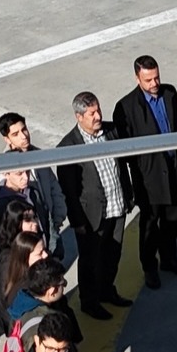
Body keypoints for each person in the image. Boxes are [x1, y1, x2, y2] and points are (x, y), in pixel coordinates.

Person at [113, 55, 177, 290]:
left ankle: (170, 259)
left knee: (172, 221)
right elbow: (125, 149)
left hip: (174, 171)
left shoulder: (170, 93)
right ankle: (149, 267)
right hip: (149, 179)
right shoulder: (126, 107)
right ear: (137, 78)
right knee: (149, 224)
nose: (154, 83)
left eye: (156, 77)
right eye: (148, 80)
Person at [57, 92, 133, 321]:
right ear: (79, 116)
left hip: (116, 207)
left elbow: (122, 166)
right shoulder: (68, 147)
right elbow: (69, 192)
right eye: (92, 113)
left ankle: (107, 291)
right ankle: (89, 302)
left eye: (98, 110)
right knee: (90, 260)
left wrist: (128, 196)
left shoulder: (111, 131)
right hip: (91, 216)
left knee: (113, 253)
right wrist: (78, 222)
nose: (98, 116)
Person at [0, 112, 68, 259]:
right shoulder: (4, 169)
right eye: (16, 134)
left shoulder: (38, 154)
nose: (23, 136)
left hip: (49, 225)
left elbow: (54, 187)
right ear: (7, 139)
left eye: (24, 130)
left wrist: (57, 219)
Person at [8, 258, 83, 348]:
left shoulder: (19, 306)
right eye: (63, 283)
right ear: (52, 291)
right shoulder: (47, 321)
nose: (65, 286)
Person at [0, 165, 54, 248]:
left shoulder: (33, 192)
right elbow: (3, 239)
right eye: (19, 174)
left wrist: (54, 248)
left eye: (27, 172)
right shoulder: (2, 204)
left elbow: (46, 220)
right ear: (6, 174)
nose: (26, 178)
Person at [0, 231, 49, 331]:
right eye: (40, 253)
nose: (46, 255)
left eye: (45, 250)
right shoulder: (26, 289)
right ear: (25, 258)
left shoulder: (15, 278)